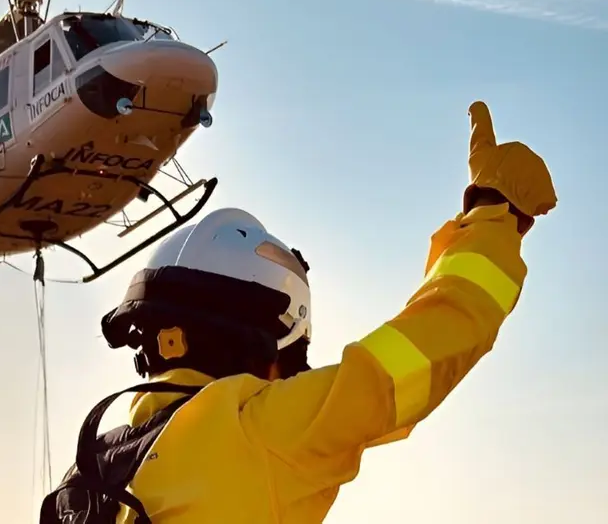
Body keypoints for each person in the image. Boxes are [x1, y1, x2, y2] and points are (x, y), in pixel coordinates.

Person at [38, 101, 558, 524]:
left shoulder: (86, 479)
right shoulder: (258, 428)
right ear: (274, 346)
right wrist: (494, 213)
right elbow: (436, 337)